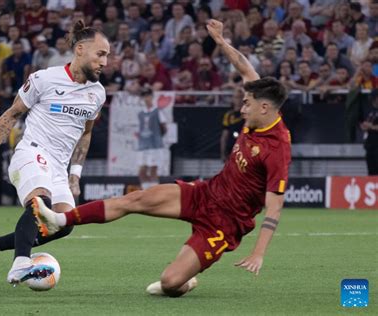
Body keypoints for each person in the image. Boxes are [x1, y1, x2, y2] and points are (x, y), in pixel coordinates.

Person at [32, 19, 292, 298]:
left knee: (169, 284)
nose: (242, 109)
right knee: (134, 200)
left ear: (265, 108)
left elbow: (274, 208)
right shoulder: (260, 100)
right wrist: (219, 40)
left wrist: (258, 253)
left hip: (224, 224)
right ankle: (61, 219)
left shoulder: (276, 149)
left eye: (247, 105)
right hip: (206, 193)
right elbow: (243, 65)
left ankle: (185, 280)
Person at [0, 21, 110, 285]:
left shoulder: (97, 94)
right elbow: (10, 115)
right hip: (31, 153)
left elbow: (86, 132)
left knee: (64, 223)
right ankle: (20, 263)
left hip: (59, 169)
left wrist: (75, 174)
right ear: (80, 50)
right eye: (101, 54)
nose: (105, 62)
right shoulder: (45, 79)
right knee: (40, 205)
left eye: (107, 56)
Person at [137, 86, 167, 189]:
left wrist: (157, 137)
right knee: (142, 171)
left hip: (155, 146)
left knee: (153, 170)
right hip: (143, 146)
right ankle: (146, 192)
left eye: (148, 95)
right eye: (144, 96)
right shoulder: (140, 113)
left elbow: (164, 127)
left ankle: (155, 194)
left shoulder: (158, 111)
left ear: (152, 96)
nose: (146, 98)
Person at [220, 87, 244, 162]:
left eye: (241, 97)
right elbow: (224, 136)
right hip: (231, 149)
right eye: (237, 97)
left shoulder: (249, 114)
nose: (239, 100)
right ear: (233, 99)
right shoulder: (228, 115)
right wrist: (223, 153)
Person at [360, 89, 378, 175]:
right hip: (370, 145)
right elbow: (363, 123)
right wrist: (363, 126)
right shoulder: (370, 111)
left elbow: (372, 126)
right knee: (371, 170)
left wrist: (371, 126)